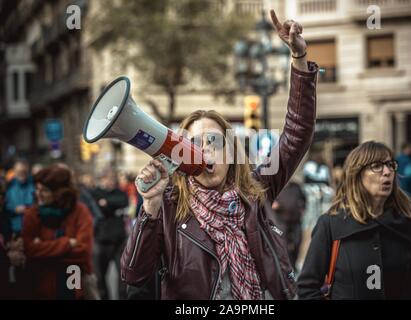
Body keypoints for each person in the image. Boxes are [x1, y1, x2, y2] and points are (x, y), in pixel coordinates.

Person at [121, 10, 317, 300]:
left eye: (213, 140)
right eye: (193, 143)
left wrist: (299, 60)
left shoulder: (257, 189)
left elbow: (297, 131)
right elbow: (133, 274)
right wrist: (149, 207)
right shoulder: (168, 206)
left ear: (230, 149)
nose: (204, 149)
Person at [297, 141, 411, 299]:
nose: (387, 171)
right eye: (377, 166)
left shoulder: (408, 223)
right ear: (357, 174)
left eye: (390, 165)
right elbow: (307, 289)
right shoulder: (330, 224)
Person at [22, 165, 94, 299]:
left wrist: (43, 247)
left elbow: (83, 251)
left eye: (44, 190)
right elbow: (29, 249)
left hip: (72, 281)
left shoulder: (79, 211)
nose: (38, 194)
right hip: (40, 283)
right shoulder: (32, 214)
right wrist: (67, 243)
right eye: (37, 189)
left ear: (58, 193)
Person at [91, 170, 129, 300]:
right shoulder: (95, 193)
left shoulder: (120, 193)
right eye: (107, 178)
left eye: (112, 178)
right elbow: (97, 206)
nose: (110, 181)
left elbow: (124, 201)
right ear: (101, 180)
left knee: (123, 277)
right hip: (101, 240)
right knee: (100, 278)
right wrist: (109, 205)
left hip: (119, 240)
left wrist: (107, 202)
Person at [271, 181, 306, 271]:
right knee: (284, 244)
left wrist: (302, 209)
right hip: (281, 223)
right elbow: (268, 202)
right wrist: (274, 204)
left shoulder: (296, 186)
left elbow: (304, 199)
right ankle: (286, 268)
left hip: (296, 222)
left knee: (297, 243)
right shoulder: (276, 186)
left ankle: (293, 266)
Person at [5, 159, 35, 235]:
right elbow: (5, 206)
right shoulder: (8, 187)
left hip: (32, 228)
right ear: (14, 172)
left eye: (24, 172)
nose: (21, 174)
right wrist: (14, 209)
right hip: (13, 229)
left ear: (28, 171)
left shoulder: (34, 185)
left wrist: (27, 208)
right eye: (19, 172)